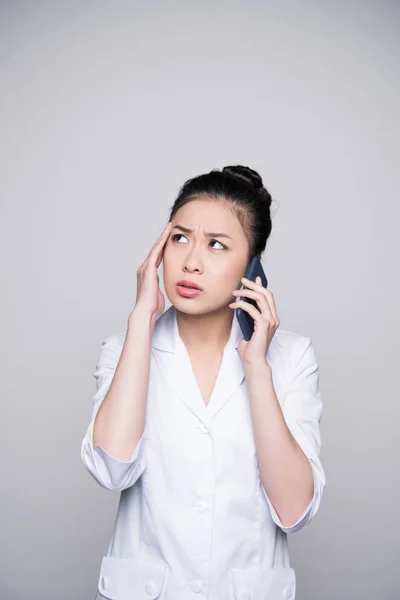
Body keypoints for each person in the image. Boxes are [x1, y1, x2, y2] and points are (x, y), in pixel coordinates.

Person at [80, 165, 326, 600]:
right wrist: (141, 320)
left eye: (216, 245)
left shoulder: (291, 357)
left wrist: (256, 367)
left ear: (252, 266)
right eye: (180, 238)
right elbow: (111, 469)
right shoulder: (125, 348)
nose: (191, 261)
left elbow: (294, 512)